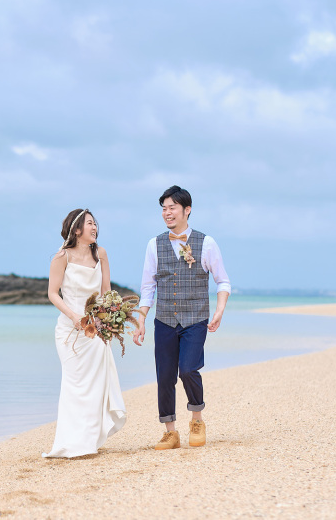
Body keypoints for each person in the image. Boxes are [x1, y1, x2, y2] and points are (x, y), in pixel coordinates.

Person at [133, 186, 231, 450]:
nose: (167, 213)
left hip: (195, 319)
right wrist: (141, 319)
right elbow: (147, 287)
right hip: (164, 319)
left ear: (187, 210)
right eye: (164, 208)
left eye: (172, 207)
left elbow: (222, 281)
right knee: (165, 376)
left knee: (188, 369)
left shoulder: (206, 243)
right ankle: (170, 432)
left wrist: (220, 310)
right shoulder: (154, 244)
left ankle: (197, 420)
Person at [43, 208, 127, 458]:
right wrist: (74, 317)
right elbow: (52, 293)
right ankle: (69, 442)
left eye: (95, 224)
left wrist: (108, 318)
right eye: (89, 223)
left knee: (95, 386)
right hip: (69, 332)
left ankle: (88, 441)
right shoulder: (62, 257)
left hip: (95, 332)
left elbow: (106, 291)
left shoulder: (100, 254)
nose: (95, 227)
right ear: (76, 229)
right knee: (74, 384)